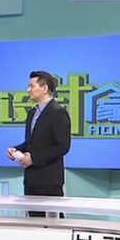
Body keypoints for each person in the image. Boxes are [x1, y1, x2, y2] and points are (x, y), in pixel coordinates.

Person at [6, 71, 71, 218]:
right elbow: (31, 143)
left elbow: (62, 146)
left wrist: (33, 159)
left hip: (49, 180)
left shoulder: (58, 113)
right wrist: (16, 149)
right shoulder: (32, 113)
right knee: (34, 223)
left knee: (52, 224)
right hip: (31, 179)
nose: (28, 90)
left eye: (32, 86)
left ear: (44, 88)